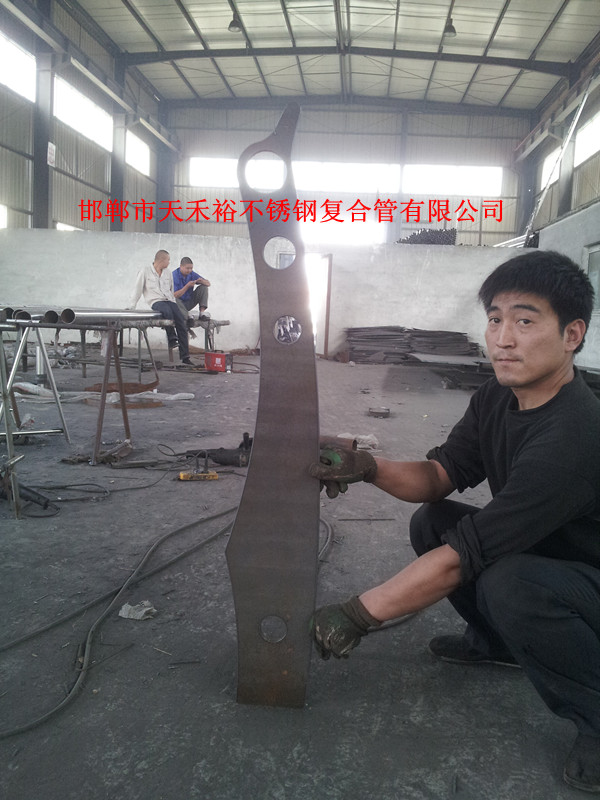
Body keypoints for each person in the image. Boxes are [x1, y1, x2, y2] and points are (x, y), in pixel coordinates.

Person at [309, 250, 600, 793]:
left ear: (572, 335)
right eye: (495, 319)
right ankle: (497, 643)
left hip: (587, 579)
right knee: (432, 521)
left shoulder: (576, 434)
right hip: (548, 554)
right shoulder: (496, 397)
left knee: (509, 581)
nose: (503, 339)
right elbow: (440, 475)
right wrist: (367, 466)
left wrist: (358, 614)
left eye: (525, 321)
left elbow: (467, 554)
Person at [128, 249, 194, 365]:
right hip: (156, 301)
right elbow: (137, 289)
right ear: (161, 260)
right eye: (168, 260)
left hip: (169, 299)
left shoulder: (167, 272)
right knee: (167, 311)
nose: (169, 262)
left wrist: (173, 302)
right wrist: (131, 306)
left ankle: (185, 357)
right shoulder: (145, 271)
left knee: (181, 322)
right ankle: (172, 338)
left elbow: (171, 289)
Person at [172, 256, 211, 323]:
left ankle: (202, 313)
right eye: (187, 268)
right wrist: (187, 286)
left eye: (191, 268)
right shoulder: (174, 275)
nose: (189, 270)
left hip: (189, 302)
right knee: (173, 299)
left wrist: (201, 281)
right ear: (181, 266)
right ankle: (187, 316)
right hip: (178, 305)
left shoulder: (191, 274)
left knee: (203, 288)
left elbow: (208, 283)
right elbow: (174, 295)